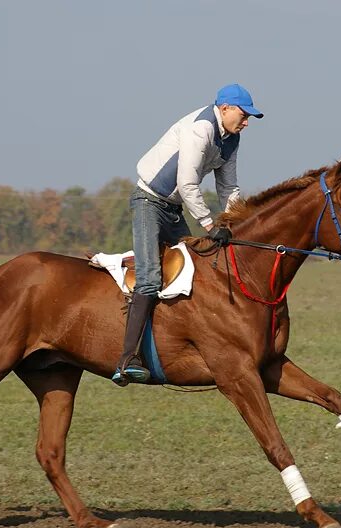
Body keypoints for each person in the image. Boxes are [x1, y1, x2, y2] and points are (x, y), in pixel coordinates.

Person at [112, 83, 264, 386]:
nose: (246, 123)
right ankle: (127, 359)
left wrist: (235, 223)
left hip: (173, 210)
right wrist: (210, 225)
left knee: (196, 271)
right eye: (244, 115)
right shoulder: (202, 129)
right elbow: (187, 183)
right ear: (225, 109)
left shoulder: (231, 139)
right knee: (150, 278)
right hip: (149, 203)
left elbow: (228, 187)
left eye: (249, 118)